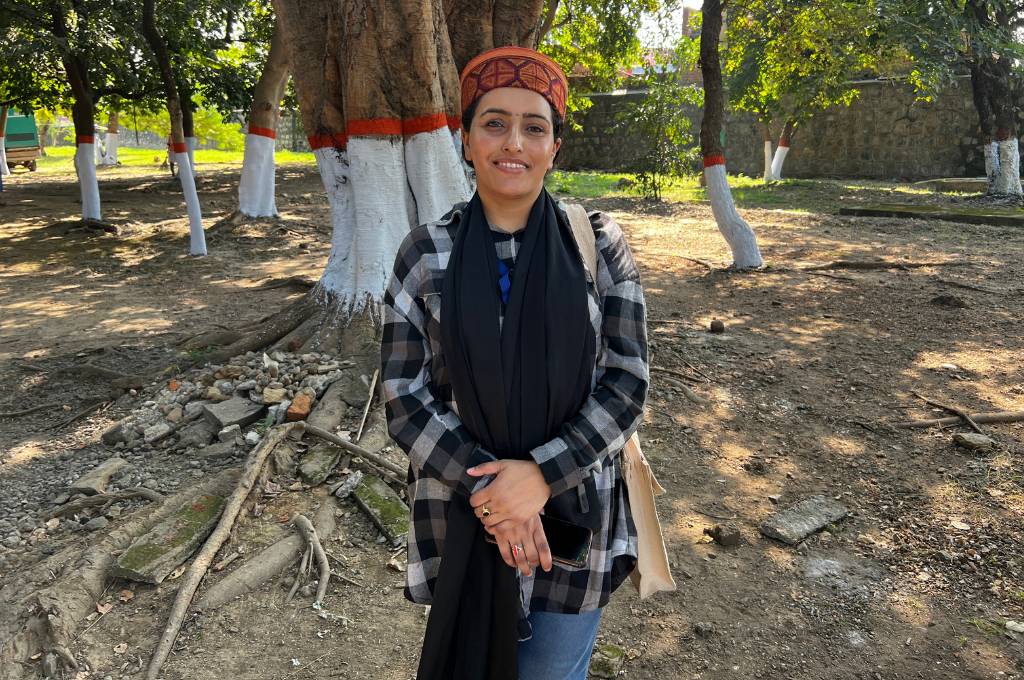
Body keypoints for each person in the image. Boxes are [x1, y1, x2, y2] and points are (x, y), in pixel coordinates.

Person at [380, 46, 649, 680]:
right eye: (494, 123)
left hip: (576, 510)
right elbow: (403, 395)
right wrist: (497, 495)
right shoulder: (425, 255)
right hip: (464, 514)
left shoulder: (598, 245)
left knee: (552, 671)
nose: (514, 143)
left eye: (535, 127)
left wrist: (540, 477)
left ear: (555, 146)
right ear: (466, 140)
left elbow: (627, 382)